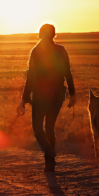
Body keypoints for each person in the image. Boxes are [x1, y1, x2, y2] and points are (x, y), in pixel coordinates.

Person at [17, 24, 77, 172]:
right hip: (58, 94)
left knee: (38, 128)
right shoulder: (61, 50)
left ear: (40, 34)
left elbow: (30, 77)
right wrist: (72, 93)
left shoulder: (36, 52)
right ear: (54, 35)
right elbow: (67, 73)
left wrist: (24, 99)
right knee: (49, 127)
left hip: (41, 94)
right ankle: (49, 163)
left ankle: (49, 153)